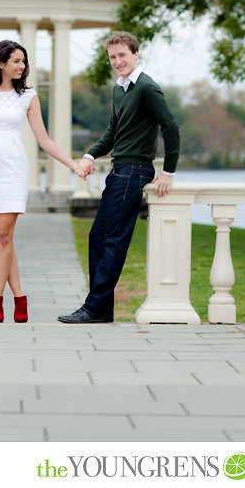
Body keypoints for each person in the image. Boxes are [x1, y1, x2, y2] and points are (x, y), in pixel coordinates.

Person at [58, 31, 180, 324]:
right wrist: (89, 156)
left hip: (134, 171)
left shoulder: (147, 88)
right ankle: (101, 308)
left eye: (122, 55)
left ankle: (95, 308)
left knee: (112, 240)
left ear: (136, 54)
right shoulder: (120, 89)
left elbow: (171, 126)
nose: (117, 62)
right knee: (98, 237)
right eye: (113, 57)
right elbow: (113, 132)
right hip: (119, 170)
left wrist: (168, 172)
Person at [0, 40, 85, 323]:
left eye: (23, 61)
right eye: (16, 61)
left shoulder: (27, 96)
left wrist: (73, 164)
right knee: (2, 239)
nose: (22, 66)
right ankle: (19, 298)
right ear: (0, 63)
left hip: (13, 172)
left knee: (4, 235)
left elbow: (44, 140)